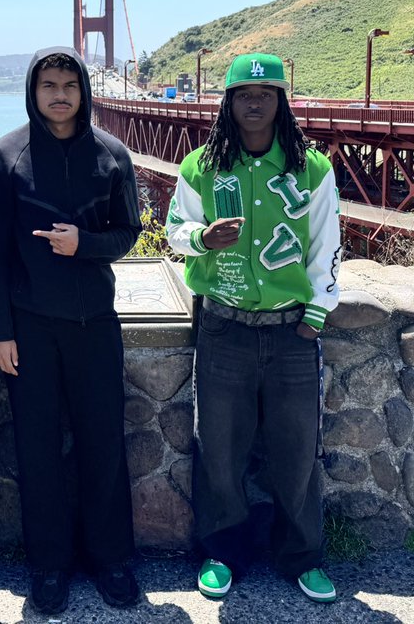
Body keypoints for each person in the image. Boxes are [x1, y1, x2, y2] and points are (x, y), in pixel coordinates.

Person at [165, 52, 341, 604]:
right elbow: (174, 229)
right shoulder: (201, 165)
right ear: (229, 103)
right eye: (244, 94)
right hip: (224, 329)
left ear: (282, 101)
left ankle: (302, 557)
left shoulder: (312, 168)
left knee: (298, 452)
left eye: (266, 94)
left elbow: (327, 241)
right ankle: (223, 553)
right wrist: (202, 239)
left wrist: (317, 312)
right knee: (220, 449)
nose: (255, 103)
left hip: (292, 333)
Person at [0, 47, 143, 615]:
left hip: (95, 323)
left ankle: (111, 559)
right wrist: (0, 331)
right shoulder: (5, 156)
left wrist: (84, 244)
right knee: (37, 447)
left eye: (70, 85)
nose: (59, 94)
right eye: (48, 84)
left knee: (104, 443)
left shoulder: (112, 154)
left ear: (84, 91)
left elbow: (128, 233)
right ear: (33, 90)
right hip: (30, 327)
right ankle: (48, 565)